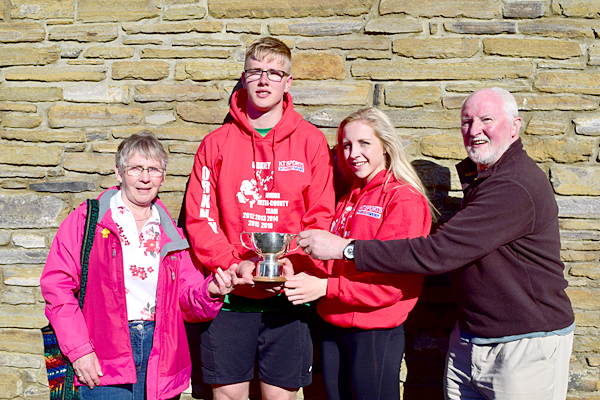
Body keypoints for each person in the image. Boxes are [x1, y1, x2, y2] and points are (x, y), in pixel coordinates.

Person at [297, 88, 575, 400]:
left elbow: (435, 253)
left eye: (487, 120)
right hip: (472, 336)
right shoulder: (485, 178)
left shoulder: (512, 185)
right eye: (467, 122)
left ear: (515, 126)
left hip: (522, 342)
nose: (474, 130)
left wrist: (345, 249)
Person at [40, 131, 249, 400]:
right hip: (102, 354)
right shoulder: (87, 220)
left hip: (160, 355)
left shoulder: (172, 234)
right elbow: (57, 288)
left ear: (163, 176)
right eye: (136, 168)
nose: (145, 178)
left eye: (153, 169)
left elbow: (187, 299)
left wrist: (212, 290)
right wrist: (80, 350)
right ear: (118, 172)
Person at [184, 37, 335, 400]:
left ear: (288, 82)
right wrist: (234, 267)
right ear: (245, 77)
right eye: (255, 71)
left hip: (288, 298)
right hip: (232, 296)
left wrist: (290, 266)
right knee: (227, 396)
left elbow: (321, 217)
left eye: (274, 72)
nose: (264, 80)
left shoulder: (311, 142)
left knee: (280, 397)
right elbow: (200, 219)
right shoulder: (216, 143)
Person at [283, 108, 434, 400]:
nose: (354, 153)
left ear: (385, 146)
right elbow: (331, 261)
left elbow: (391, 285)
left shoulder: (403, 199)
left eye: (364, 143)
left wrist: (325, 287)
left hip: (374, 331)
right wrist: (301, 269)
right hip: (333, 325)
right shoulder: (348, 197)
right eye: (347, 145)